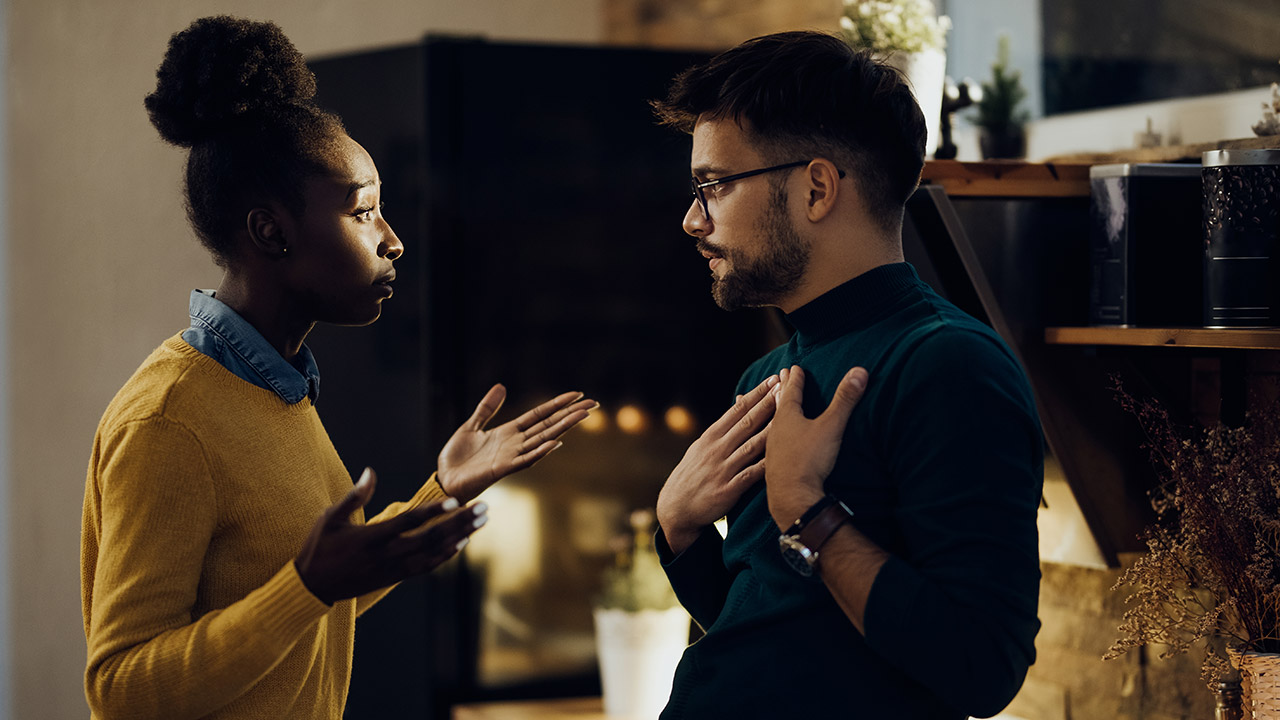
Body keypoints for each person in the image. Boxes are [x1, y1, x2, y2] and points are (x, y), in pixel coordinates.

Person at [80, 16, 595, 719]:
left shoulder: (277, 387)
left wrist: (442, 492)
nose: (394, 241)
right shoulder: (169, 421)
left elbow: (324, 590)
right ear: (272, 232)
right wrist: (307, 585)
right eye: (364, 212)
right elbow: (120, 690)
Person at [652, 31, 1043, 719]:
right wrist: (681, 531)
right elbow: (780, 631)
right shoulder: (769, 373)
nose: (692, 219)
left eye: (712, 186)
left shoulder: (949, 364)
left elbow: (983, 668)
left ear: (817, 187)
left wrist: (807, 509)